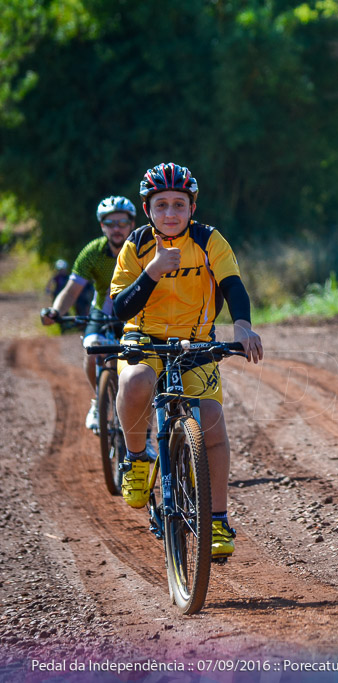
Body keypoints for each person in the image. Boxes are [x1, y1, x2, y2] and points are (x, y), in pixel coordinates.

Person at [109, 162, 263, 560]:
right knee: (135, 383)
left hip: (195, 344)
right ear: (148, 210)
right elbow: (120, 308)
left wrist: (242, 326)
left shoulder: (210, 240)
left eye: (179, 204)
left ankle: (216, 519)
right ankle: (137, 458)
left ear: (192, 207)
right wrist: (152, 271)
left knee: (212, 418)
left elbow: (232, 284)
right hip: (143, 339)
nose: (171, 214)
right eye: (161, 205)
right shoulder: (137, 245)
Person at [41, 197, 136, 431]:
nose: (116, 228)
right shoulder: (92, 251)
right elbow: (72, 289)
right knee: (92, 350)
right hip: (102, 313)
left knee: (141, 369)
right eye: (110, 223)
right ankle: (99, 400)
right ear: (101, 226)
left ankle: (143, 436)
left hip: (136, 315)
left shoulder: (141, 249)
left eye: (122, 222)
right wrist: (56, 311)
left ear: (132, 224)